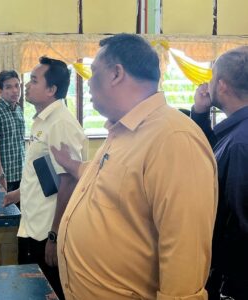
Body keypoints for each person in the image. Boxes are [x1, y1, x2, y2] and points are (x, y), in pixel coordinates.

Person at [55, 34, 218, 299]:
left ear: (116, 74)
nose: (88, 82)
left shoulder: (173, 138)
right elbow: (107, 181)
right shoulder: (123, 130)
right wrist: (71, 165)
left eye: (94, 72)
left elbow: (183, 254)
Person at [2, 56, 85, 299]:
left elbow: (70, 182)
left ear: (52, 90)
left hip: (48, 230)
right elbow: (43, 171)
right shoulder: (42, 122)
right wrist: (17, 194)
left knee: (50, 292)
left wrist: (55, 235)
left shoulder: (61, 124)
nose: (26, 86)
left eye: (34, 81)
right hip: (33, 223)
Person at [191, 46, 248, 299]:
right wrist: (201, 116)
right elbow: (209, 156)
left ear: (222, 86)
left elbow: (239, 221)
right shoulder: (236, 134)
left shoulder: (240, 144)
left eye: (212, 77)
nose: (208, 83)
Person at [0, 70, 25, 192]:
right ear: (0, 90)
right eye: (9, 87)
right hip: (3, 176)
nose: (15, 91)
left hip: (19, 174)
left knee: (20, 210)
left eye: (17, 86)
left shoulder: (18, 109)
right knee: (3, 211)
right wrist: (0, 175)